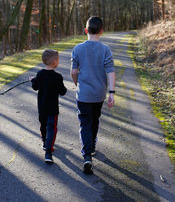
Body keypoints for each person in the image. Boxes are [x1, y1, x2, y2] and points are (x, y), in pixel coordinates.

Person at [71, 16, 115, 175]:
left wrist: (77, 84)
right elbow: (110, 71)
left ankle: (87, 155)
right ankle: (92, 147)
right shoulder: (105, 50)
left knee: (84, 123)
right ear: (102, 31)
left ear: (85, 31)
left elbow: (73, 71)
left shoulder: (77, 49)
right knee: (95, 120)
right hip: (99, 94)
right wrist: (111, 92)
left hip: (83, 94)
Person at [31, 49, 67, 164]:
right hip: (53, 108)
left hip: (42, 107)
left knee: (43, 124)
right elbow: (62, 92)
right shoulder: (58, 77)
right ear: (54, 62)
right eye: (58, 60)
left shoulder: (40, 74)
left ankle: (44, 142)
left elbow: (35, 87)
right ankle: (48, 151)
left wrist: (33, 80)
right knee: (52, 127)